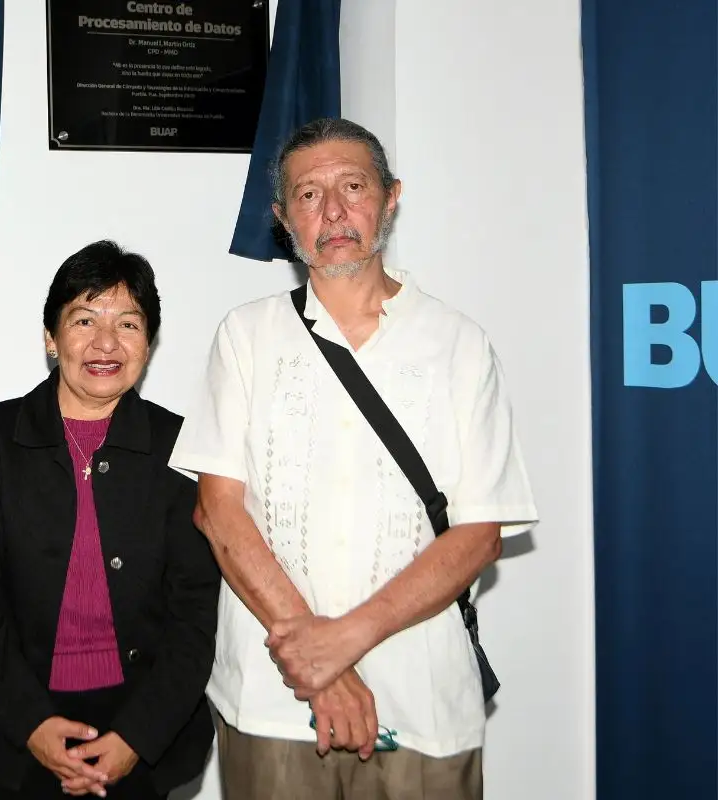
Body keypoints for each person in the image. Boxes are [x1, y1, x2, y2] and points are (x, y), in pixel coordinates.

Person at [169, 118, 539, 800]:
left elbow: (481, 532)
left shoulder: (459, 344)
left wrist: (341, 644)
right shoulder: (247, 337)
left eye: (353, 187)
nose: (334, 211)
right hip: (273, 697)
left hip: (423, 698)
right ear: (283, 220)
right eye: (309, 195)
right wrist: (319, 663)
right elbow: (218, 512)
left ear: (390, 198)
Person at [0, 240, 219, 800]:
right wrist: (32, 726)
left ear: (148, 342)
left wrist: (136, 737)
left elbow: (196, 612)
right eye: (84, 320)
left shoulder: (182, 446)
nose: (105, 344)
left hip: (144, 730)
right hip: (18, 724)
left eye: (129, 324)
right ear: (51, 337)